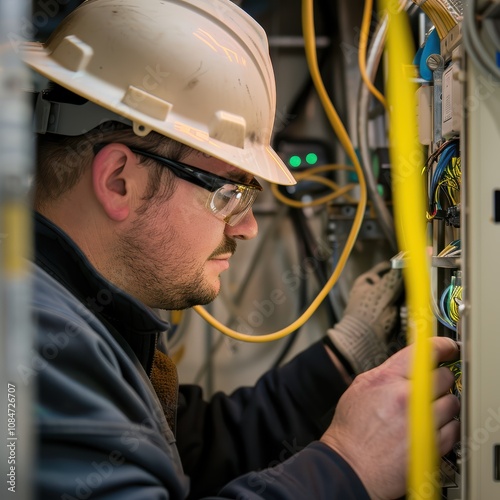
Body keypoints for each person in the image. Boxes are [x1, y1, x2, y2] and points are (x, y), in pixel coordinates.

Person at [21, 0, 460, 498]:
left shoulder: (82, 316)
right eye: (230, 193)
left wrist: (343, 353)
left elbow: (195, 449)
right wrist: (346, 468)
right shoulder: (37, 343)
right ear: (120, 181)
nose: (248, 226)